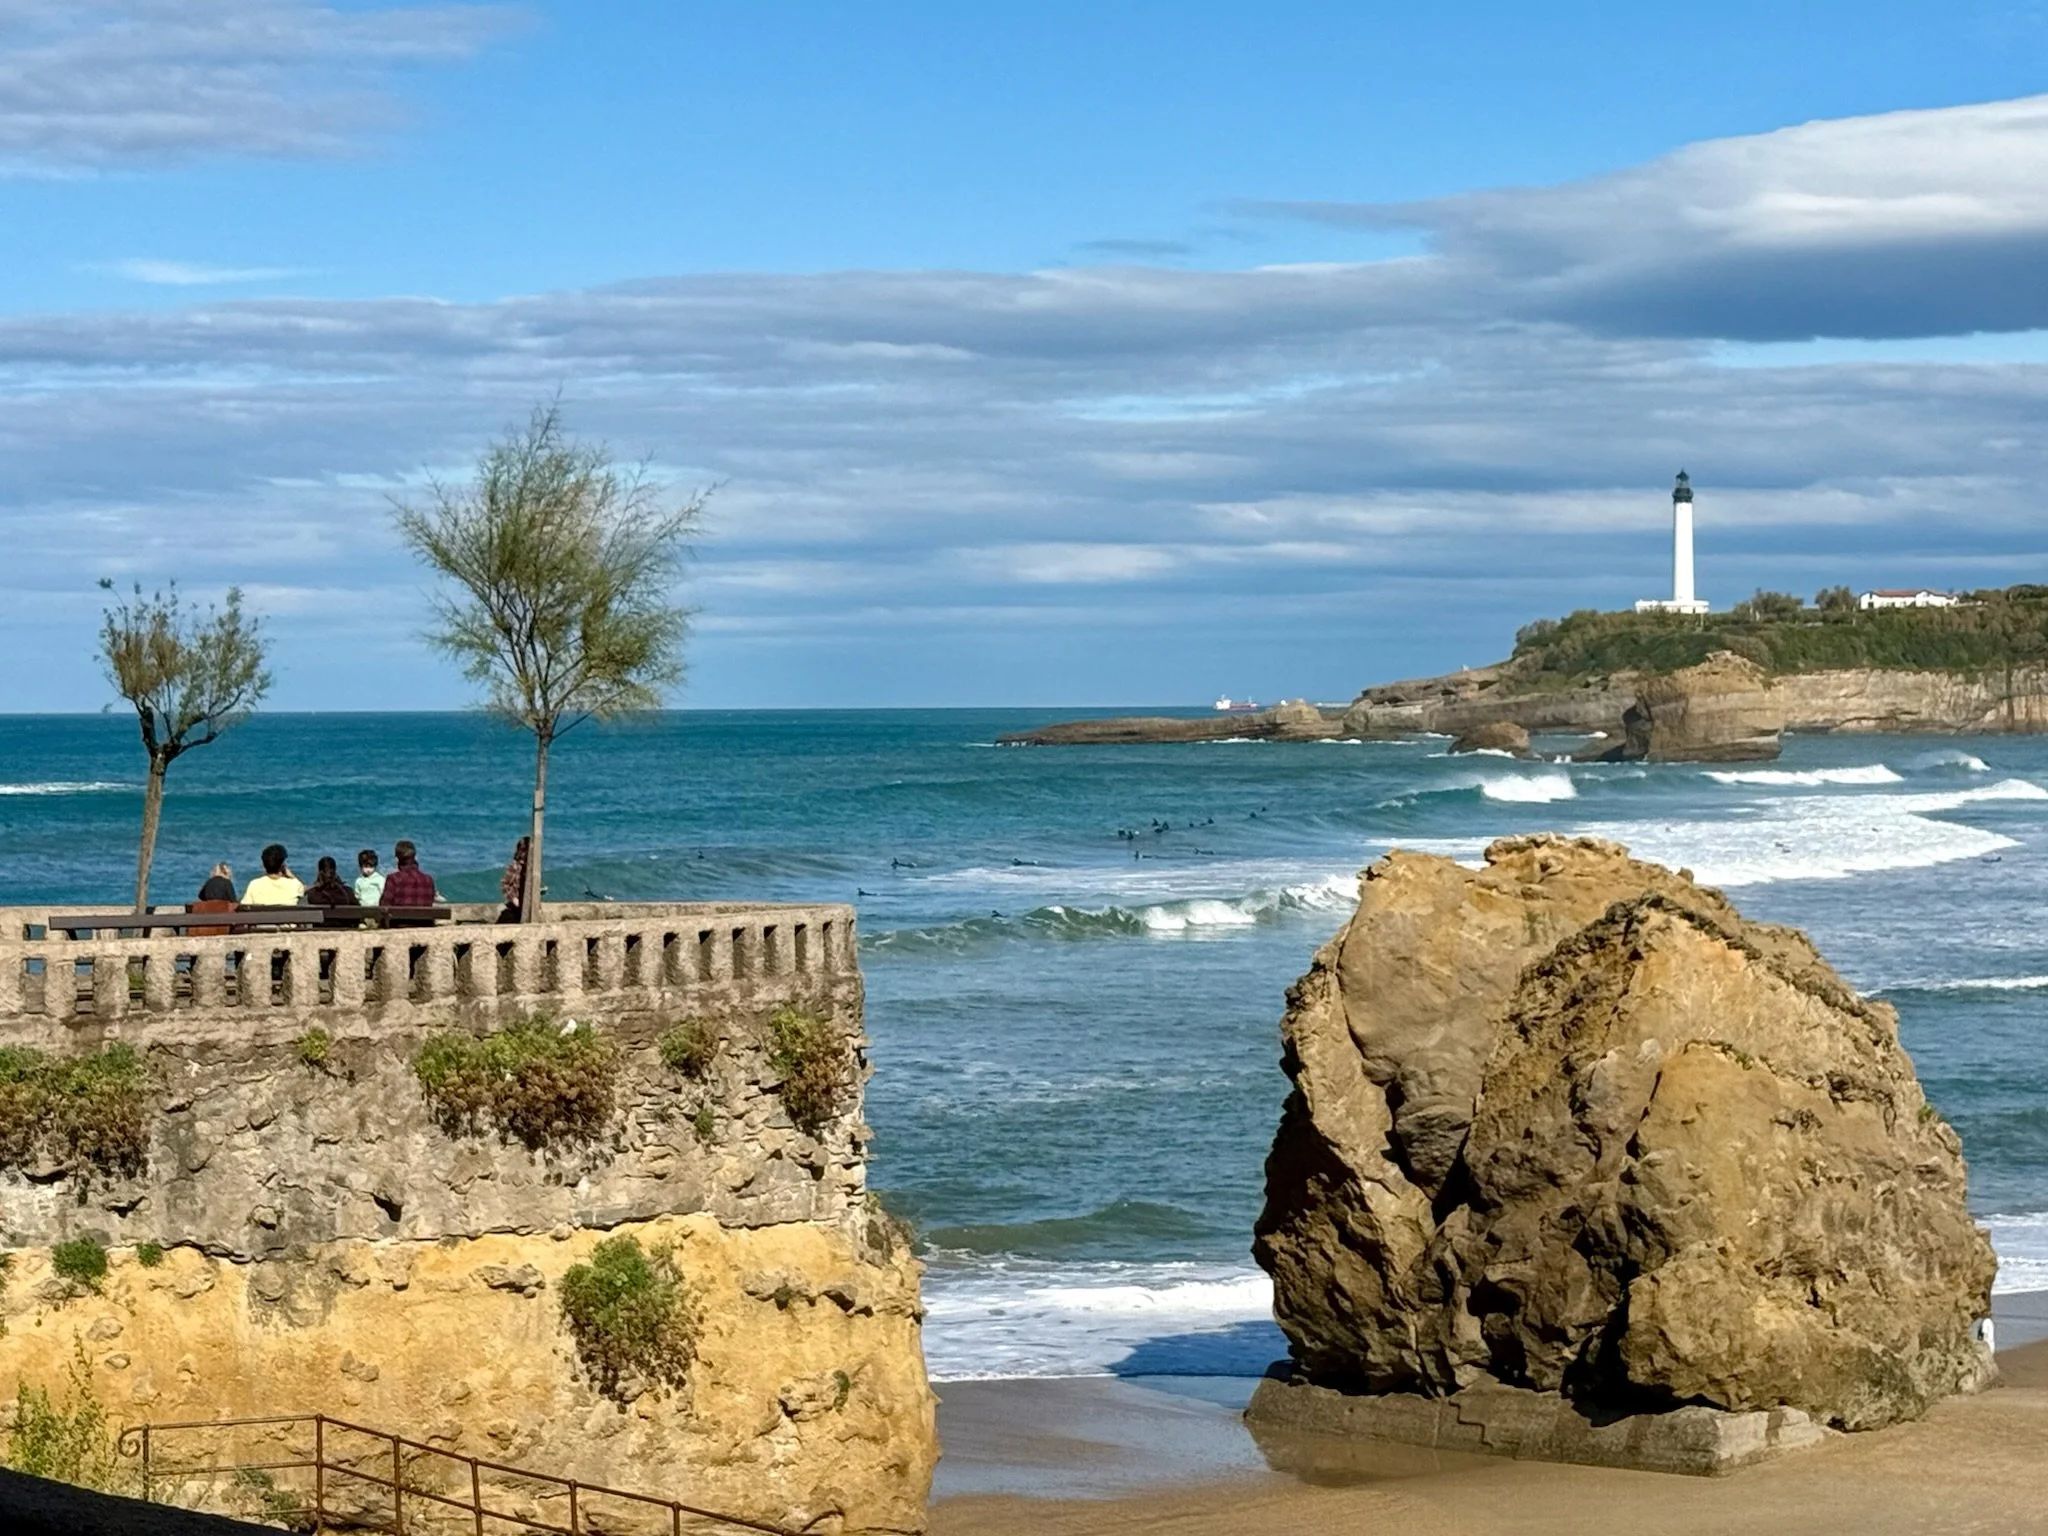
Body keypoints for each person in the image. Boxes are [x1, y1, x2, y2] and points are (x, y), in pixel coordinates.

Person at [381, 840, 438, 925]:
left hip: (400, 924)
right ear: (415, 857)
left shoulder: (393, 879)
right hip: (425, 924)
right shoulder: (428, 879)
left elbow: (384, 906)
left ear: (397, 859)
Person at [498, 836, 530, 924]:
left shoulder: (531, 869)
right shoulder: (516, 866)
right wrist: (513, 898)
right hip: (515, 906)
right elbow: (505, 884)